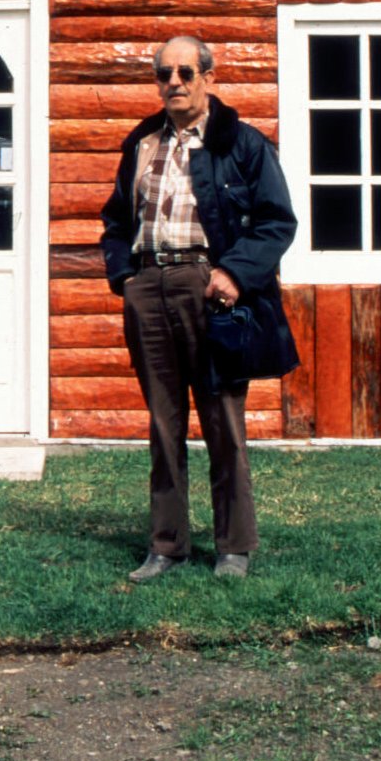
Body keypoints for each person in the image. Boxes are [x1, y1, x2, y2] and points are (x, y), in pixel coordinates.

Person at [100, 34, 296, 582]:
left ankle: (234, 546)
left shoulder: (243, 143)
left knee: (222, 423)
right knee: (163, 426)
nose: (174, 84)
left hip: (208, 290)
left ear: (208, 77)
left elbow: (277, 221)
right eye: (164, 74)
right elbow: (116, 221)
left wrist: (233, 273)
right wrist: (125, 277)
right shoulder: (140, 142)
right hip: (149, 286)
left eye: (186, 73)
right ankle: (167, 545)